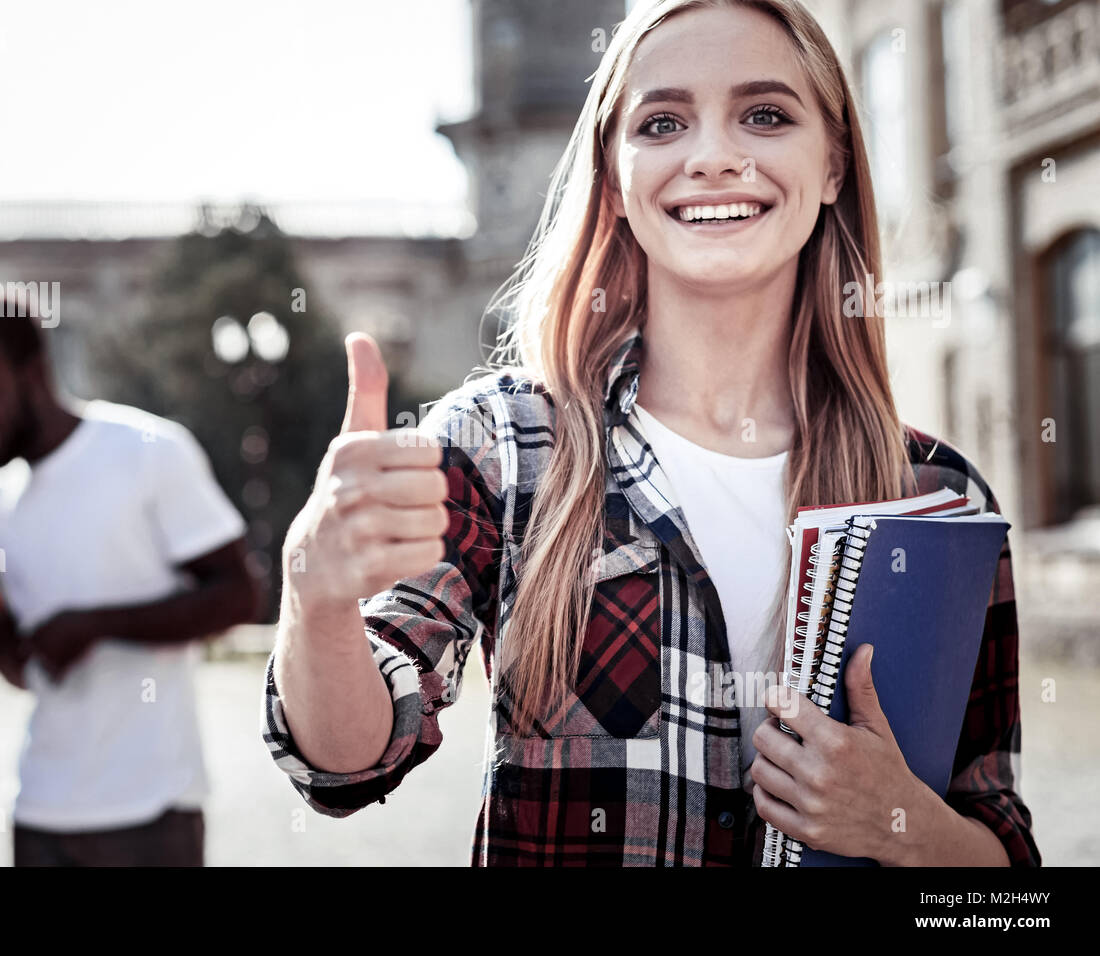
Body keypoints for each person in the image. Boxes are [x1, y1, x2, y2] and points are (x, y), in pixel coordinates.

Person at [261, 0, 1041, 866]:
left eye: (767, 115)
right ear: (615, 176)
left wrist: (905, 825)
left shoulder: (939, 496)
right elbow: (347, 763)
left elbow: (1000, 873)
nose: (713, 157)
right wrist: (317, 596)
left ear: (832, 166)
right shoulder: (501, 444)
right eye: (663, 122)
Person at [0, 291, 266, 866]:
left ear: (33, 373)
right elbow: (25, 674)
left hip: (152, 811)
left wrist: (96, 625)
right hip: (38, 812)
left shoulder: (145, 450)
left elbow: (240, 595)